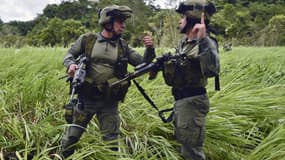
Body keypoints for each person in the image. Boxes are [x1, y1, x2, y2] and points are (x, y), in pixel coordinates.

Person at [60, 5, 155, 158]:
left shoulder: (123, 46)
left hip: (109, 102)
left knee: (111, 143)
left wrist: (150, 49)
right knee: (71, 137)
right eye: (120, 21)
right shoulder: (88, 40)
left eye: (124, 22)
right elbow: (69, 55)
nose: (123, 25)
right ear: (108, 22)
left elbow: (143, 64)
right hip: (85, 99)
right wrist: (71, 65)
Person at [150, 0, 219, 160]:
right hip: (182, 102)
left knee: (192, 152)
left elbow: (213, 70)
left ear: (191, 20)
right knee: (185, 146)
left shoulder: (206, 43)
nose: (180, 21)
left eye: (183, 18)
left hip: (193, 102)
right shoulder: (184, 44)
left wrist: (202, 39)